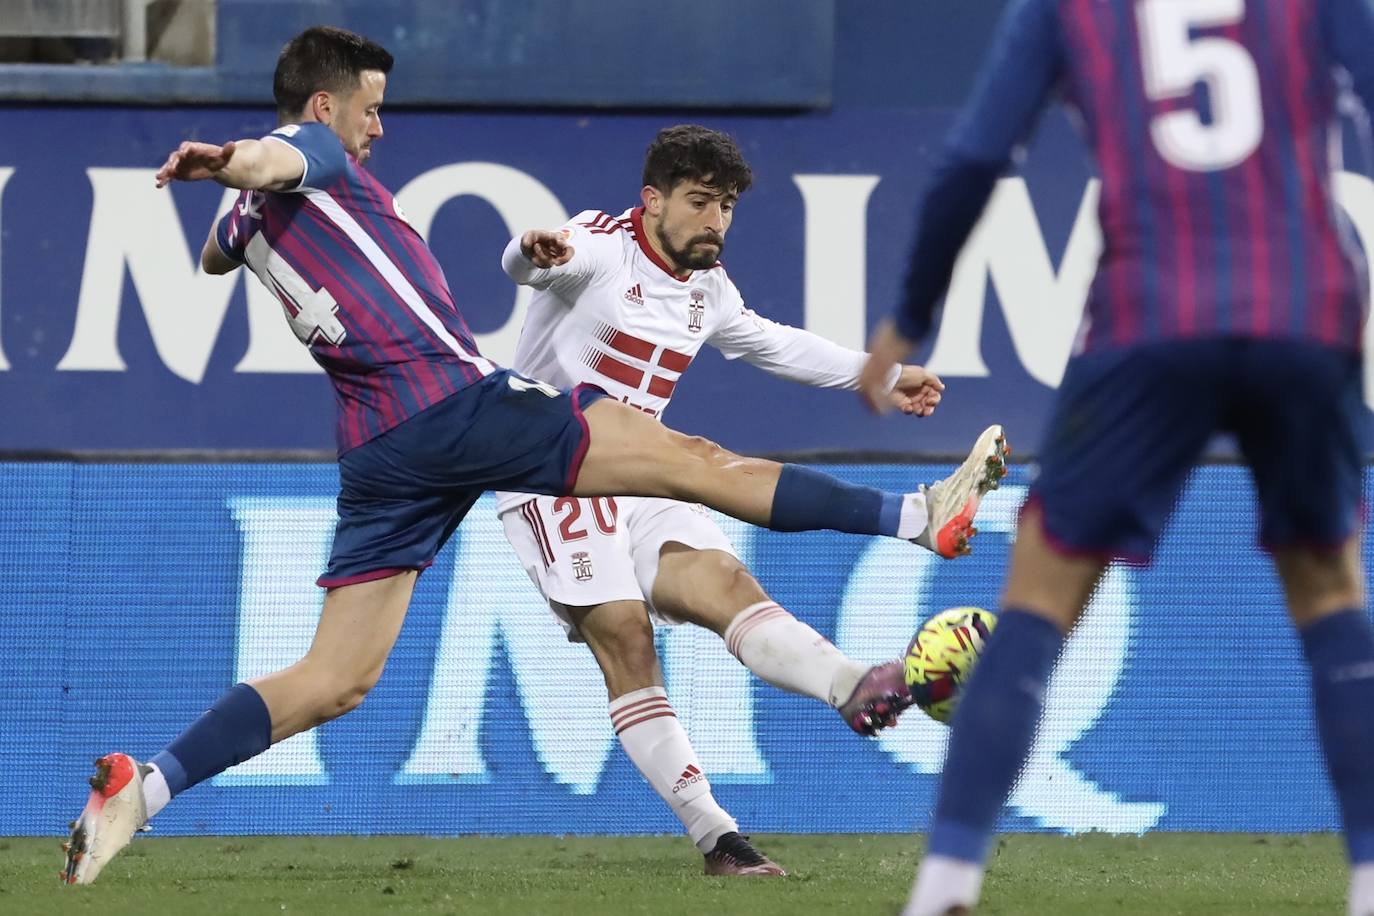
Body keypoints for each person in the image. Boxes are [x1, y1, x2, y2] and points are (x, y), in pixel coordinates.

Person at [62, 26, 1010, 885]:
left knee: (335, 678)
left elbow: (219, 256)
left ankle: (140, 791)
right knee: (689, 460)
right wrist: (229, 160)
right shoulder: (314, 154)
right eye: (370, 109)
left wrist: (233, 221)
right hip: (453, 402)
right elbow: (273, 158)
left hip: (380, 448)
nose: (376, 129)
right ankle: (921, 517)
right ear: (325, 105)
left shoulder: (255, 219)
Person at [856, 1, 1374, 914]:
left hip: (1149, 316)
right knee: (1329, 589)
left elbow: (975, 159)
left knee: (1040, 592)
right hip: (1305, 307)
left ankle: (944, 885)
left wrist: (909, 315)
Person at [496, 123, 1010, 876]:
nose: (716, 222)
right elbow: (529, 265)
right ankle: (718, 839)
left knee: (728, 586)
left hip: (644, 474)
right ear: (652, 200)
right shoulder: (599, 245)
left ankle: (852, 688)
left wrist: (884, 373)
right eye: (700, 202)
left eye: (727, 206)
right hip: (554, 479)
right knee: (628, 641)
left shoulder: (706, 289)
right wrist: (528, 252)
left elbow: (775, 343)